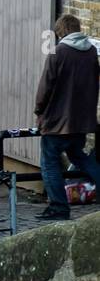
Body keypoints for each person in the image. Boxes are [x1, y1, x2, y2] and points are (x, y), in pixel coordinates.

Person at [33, 13, 100, 220]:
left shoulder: (58, 52)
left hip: (57, 121)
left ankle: (58, 207)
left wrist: (39, 110)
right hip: (81, 120)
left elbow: (46, 86)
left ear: (60, 31)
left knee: (49, 162)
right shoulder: (91, 53)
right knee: (79, 156)